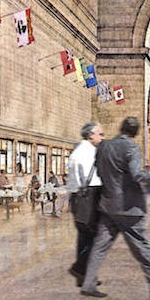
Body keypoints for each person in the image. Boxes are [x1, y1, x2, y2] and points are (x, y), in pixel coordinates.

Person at [80, 116, 150, 297]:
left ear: (121, 127)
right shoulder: (131, 147)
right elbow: (137, 175)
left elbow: (100, 172)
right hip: (129, 208)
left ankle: (88, 284)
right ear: (136, 132)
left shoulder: (104, 146)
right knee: (140, 246)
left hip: (108, 206)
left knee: (99, 247)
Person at [66, 121, 104, 287]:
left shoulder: (76, 151)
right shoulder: (90, 153)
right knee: (94, 238)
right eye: (100, 134)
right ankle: (80, 268)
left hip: (77, 197)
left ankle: (84, 278)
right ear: (90, 135)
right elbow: (96, 179)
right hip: (90, 197)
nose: (102, 137)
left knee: (84, 238)